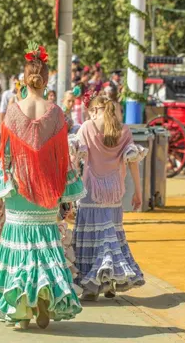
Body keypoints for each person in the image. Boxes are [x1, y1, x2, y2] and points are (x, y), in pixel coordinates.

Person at [0, 44, 85, 329]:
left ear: (24, 80)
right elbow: (64, 158)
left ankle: (21, 310)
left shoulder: (13, 113)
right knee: (45, 247)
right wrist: (66, 195)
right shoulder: (56, 113)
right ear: (47, 79)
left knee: (19, 250)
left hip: (18, 189)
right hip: (47, 191)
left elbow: (6, 157)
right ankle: (43, 300)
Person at [73, 92, 146, 301]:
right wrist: (138, 193)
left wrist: (67, 191)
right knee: (111, 234)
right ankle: (110, 279)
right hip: (114, 190)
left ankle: (91, 285)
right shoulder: (124, 131)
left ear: (96, 109)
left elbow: (74, 158)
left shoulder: (87, 127)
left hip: (90, 189)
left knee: (91, 237)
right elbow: (133, 164)